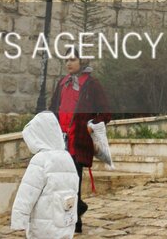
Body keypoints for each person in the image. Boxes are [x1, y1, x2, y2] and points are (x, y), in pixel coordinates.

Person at [49, 56, 111, 232]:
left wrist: (91, 126)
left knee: (73, 181)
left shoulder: (91, 84)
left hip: (78, 141)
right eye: (66, 59)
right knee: (60, 181)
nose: (68, 63)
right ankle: (78, 209)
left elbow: (105, 113)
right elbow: (53, 108)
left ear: (81, 61)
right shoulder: (62, 83)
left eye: (73, 59)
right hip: (59, 141)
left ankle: (75, 222)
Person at [11, 112, 83, 239]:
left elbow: (27, 193)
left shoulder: (40, 160)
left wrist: (19, 220)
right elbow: (74, 187)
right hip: (65, 221)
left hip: (43, 228)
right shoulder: (67, 157)